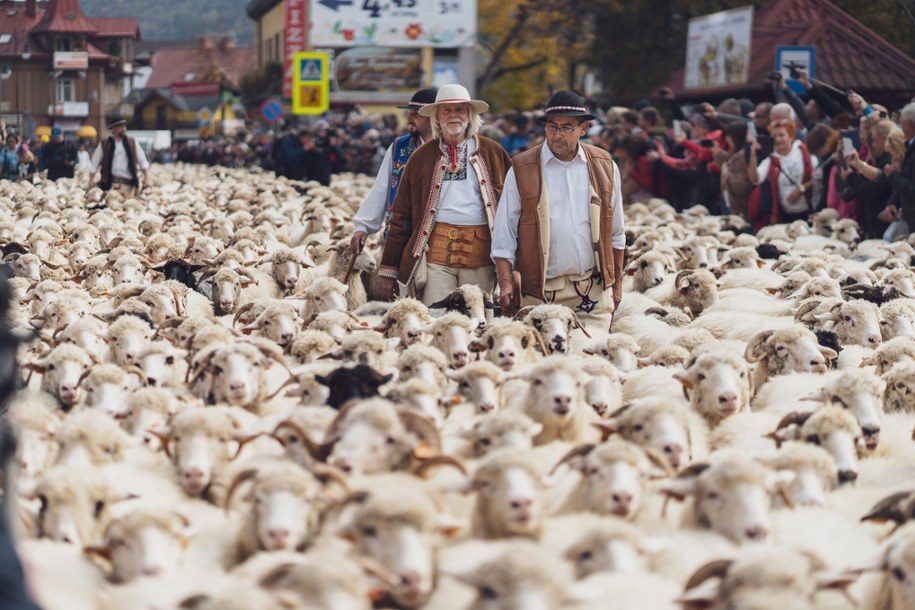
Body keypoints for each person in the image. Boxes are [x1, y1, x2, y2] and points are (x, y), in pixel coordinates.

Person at [491, 90, 625, 330]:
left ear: (583, 129)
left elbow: (617, 232)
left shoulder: (604, 165)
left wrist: (616, 285)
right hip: (540, 294)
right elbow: (504, 234)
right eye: (552, 127)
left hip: (592, 292)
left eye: (566, 128)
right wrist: (505, 283)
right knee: (545, 364)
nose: (557, 135)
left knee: (590, 361)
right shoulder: (522, 168)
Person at [379, 84, 511, 304]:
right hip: (436, 256)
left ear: (470, 115)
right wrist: (390, 268)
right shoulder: (421, 157)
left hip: (480, 256)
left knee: (476, 320)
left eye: (460, 110)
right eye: (446, 110)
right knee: (437, 317)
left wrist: (514, 266)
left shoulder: (493, 152)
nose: (453, 116)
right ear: (437, 117)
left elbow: (513, 209)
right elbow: (401, 215)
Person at [350, 87, 437, 255]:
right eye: (410, 113)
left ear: (434, 116)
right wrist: (363, 226)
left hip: (436, 240)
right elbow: (382, 187)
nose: (409, 118)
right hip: (400, 236)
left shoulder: (450, 149)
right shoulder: (399, 147)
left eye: (416, 114)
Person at [747, 118, 818, 231]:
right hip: (786, 214)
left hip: (808, 211)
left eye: (781, 135)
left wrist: (801, 189)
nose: (778, 139)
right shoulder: (771, 159)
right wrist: (753, 155)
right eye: (774, 136)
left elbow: (818, 177)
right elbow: (755, 180)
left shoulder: (803, 151)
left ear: (790, 136)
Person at [878, 103, 915, 236]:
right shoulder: (909, 145)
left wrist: (893, 175)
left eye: (902, 123)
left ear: (909, 124)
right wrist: (893, 202)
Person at [88, 117, 151, 192]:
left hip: (128, 185)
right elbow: (95, 163)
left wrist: (147, 178)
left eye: (124, 126)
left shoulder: (132, 142)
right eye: (120, 126)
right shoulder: (105, 144)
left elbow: (143, 161)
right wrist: (91, 179)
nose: (124, 129)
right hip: (110, 185)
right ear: (113, 128)